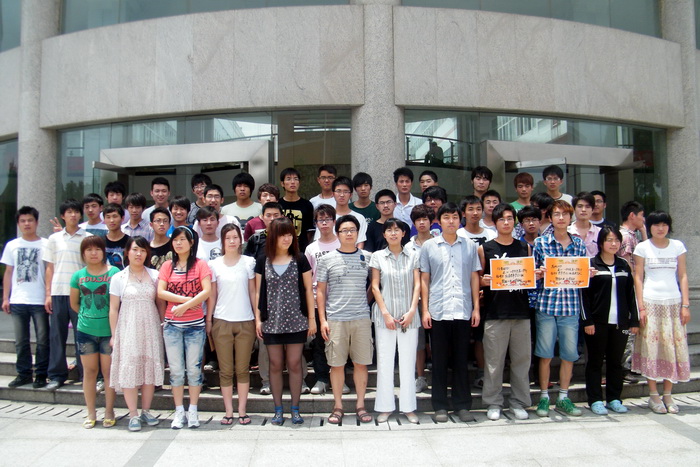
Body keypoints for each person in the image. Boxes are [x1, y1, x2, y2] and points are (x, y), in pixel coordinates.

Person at [420, 203, 481, 423]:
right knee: (438, 361)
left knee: (461, 360)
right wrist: (425, 310)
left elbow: (474, 277)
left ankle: (462, 405)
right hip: (438, 311)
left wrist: (476, 307)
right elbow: (424, 279)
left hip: (462, 310)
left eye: (455, 217)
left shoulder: (470, 245)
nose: (451, 221)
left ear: (460, 219)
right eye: (446, 217)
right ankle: (440, 406)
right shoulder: (429, 246)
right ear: (439, 220)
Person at [254, 217, 315, 425]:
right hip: (272, 321)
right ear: (273, 236)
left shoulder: (300, 259)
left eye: (289, 234)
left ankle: (295, 409)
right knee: (275, 364)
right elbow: (258, 292)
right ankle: (278, 409)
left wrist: (312, 319)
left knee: (295, 363)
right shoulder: (263, 260)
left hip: (297, 319)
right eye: (282, 235)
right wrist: (258, 319)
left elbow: (308, 290)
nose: (287, 238)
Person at [632, 211, 691, 414]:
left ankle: (667, 394)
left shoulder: (677, 246)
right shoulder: (642, 247)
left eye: (664, 224)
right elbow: (638, 277)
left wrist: (685, 305)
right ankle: (653, 394)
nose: (660, 228)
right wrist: (641, 307)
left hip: (674, 304)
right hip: (651, 302)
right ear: (649, 227)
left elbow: (682, 275)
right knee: (652, 348)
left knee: (671, 347)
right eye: (656, 224)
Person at [478, 204, 532, 421]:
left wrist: (536, 275)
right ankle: (493, 402)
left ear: (515, 222)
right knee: (494, 362)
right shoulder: (485, 248)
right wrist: (483, 281)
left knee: (521, 361)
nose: (506, 222)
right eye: (502, 219)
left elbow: (529, 276)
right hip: (495, 312)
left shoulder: (524, 247)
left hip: (521, 312)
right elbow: (477, 279)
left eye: (510, 218)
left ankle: (519, 402)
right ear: (495, 223)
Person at [317, 215, 373, 425]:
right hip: (336, 319)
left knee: (361, 363)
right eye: (344, 230)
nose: (349, 234)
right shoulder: (326, 259)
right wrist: (323, 320)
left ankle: (360, 405)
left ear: (358, 233)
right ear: (337, 233)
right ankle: (338, 406)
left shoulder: (368, 257)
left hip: (361, 318)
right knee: (336, 365)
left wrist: (365, 300)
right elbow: (320, 291)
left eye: (352, 230)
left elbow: (375, 284)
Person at [533, 200, 587, 417]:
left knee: (569, 355)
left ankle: (564, 397)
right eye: (557, 214)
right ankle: (544, 397)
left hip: (570, 306)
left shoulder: (579, 244)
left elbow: (581, 273)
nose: (561, 218)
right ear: (550, 218)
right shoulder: (540, 243)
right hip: (546, 305)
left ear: (570, 217)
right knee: (545, 354)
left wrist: (588, 274)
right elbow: (531, 275)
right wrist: (538, 274)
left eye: (565, 214)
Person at [157, 226, 212, 429]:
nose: (178, 243)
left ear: (191, 243)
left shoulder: (200, 265)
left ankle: (193, 410)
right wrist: (184, 301)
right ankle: (179, 411)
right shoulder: (167, 266)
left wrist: (186, 306)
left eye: (182, 239)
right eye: (175, 240)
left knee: (194, 370)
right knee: (176, 371)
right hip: (172, 326)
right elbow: (161, 292)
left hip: (195, 326)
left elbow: (206, 291)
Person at [109, 236, 165, 432]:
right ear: (127, 252)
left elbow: (160, 303)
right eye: (135, 250)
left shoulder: (155, 275)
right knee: (130, 369)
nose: (138, 254)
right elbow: (113, 309)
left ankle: (146, 411)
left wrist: (162, 325)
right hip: (128, 327)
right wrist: (114, 335)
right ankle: (133, 414)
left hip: (150, 326)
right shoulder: (118, 278)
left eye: (142, 250)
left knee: (148, 369)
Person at [581, 227, 639, 415]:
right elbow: (584, 296)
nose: (613, 244)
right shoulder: (592, 265)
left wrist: (634, 320)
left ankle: (614, 398)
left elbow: (631, 294)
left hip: (620, 323)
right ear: (600, 243)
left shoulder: (623, 265)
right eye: (609, 240)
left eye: (616, 240)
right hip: (597, 323)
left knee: (616, 362)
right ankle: (595, 400)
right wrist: (587, 321)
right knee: (595, 362)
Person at [370, 219, 421, 424]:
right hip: (385, 317)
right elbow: (375, 286)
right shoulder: (377, 256)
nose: (393, 233)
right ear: (384, 234)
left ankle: (408, 408)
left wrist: (412, 311)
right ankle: (385, 407)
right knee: (385, 362)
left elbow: (417, 285)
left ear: (403, 233)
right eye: (389, 230)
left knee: (408, 363)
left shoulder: (413, 255)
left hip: (409, 316)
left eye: (397, 230)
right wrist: (385, 313)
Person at [207, 224, 257, 426]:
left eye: (235, 237)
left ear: (241, 239)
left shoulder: (249, 262)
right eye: (228, 238)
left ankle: (242, 410)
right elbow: (212, 294)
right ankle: (228, 410)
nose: (232, 241)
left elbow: (253, 291)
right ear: (222, 241)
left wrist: (257, 318)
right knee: (226, 370)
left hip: (245, 321)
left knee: (243, 369)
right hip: (222, 321)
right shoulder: (214, 264)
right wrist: (209, 319)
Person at [69, 236, 119, 428]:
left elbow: (117, 303)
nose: (93, 253)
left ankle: (109, 411)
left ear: (103, 252)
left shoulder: (114, 273)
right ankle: (91, 412)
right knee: (89, 372)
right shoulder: (78, 276)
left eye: (97, 249)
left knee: (108, 372)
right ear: (83, 254)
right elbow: (74, 304)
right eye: (89, 250)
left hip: (108, 332)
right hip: (85, 331)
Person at [45, 199, 92, 391]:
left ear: (81, 214)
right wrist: (48, 294)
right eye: (69, 212)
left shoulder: (87, 238)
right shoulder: (54, 239)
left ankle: (85, 375)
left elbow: (91, 267)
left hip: (80, 294)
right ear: (63, 216)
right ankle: (56, 376)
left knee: (82, 335)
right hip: (58, 293)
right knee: (57, 335)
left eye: (76, 212)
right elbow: (50, 268)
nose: (73, 215)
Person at [1, 206, 50, 388]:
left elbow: (50, 271)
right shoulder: (12, 245)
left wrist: (48, 295)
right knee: (21, 341)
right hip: (18, 300)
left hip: (39, 300)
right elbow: (8, 272)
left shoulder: (46, 244)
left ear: (36, 222)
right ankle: (24, 374)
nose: (27, 224)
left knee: (43, 340)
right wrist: (5, 298)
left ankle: (41, 375)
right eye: (23, 221)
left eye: (30, 220)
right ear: (18, 223)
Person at [304, 205, 341, 395]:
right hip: (318, 302)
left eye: (327, 219)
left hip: (340, 301)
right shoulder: (311, 248)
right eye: (320, 220)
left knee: (339, 342)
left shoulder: (342, 243)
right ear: (316, 223)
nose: (324, 223)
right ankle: (321, 379)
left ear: (334, 221)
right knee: (320, 342)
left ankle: (339, 380)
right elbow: (308, 278)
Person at [406, 204, 435, 395]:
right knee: (418, 342)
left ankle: (439, 375)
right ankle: (420, 377)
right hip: (415, 301)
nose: (422, 223)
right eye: (418, 220)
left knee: (438, 341)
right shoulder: (408, 246)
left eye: (425, 219)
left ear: (431, 221)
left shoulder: (439, 242)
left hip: (436, 298)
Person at [312, 176, 367, 247]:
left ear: (351, 195)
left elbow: (360, 243)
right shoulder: (326, 218)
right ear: (333, 194)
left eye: (345, 191)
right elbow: (319, 241)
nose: (342, 195)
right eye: (338, 191)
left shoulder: (359, 218)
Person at [279, 168, 315, 251]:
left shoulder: (307, 205)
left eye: (296, 179)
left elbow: (310, 231)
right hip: (281, 248)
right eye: (288, 179)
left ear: (299, 183)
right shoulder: (278, 204)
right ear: (282, 183)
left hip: (301, 249)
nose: (293, 182)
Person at [567, 192, 601, 257]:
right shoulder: (566, 232)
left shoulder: (600, 232)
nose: (583, 210)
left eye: (587, 207)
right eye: (580, 206)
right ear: (574, 209)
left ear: (592, 210)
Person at [103, 203, 129, 270]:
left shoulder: (130, 241)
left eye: (115, 216)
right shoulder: (100, 242)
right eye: (108, 217)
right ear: (104, 219)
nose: (111, 220)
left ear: (122, 218)